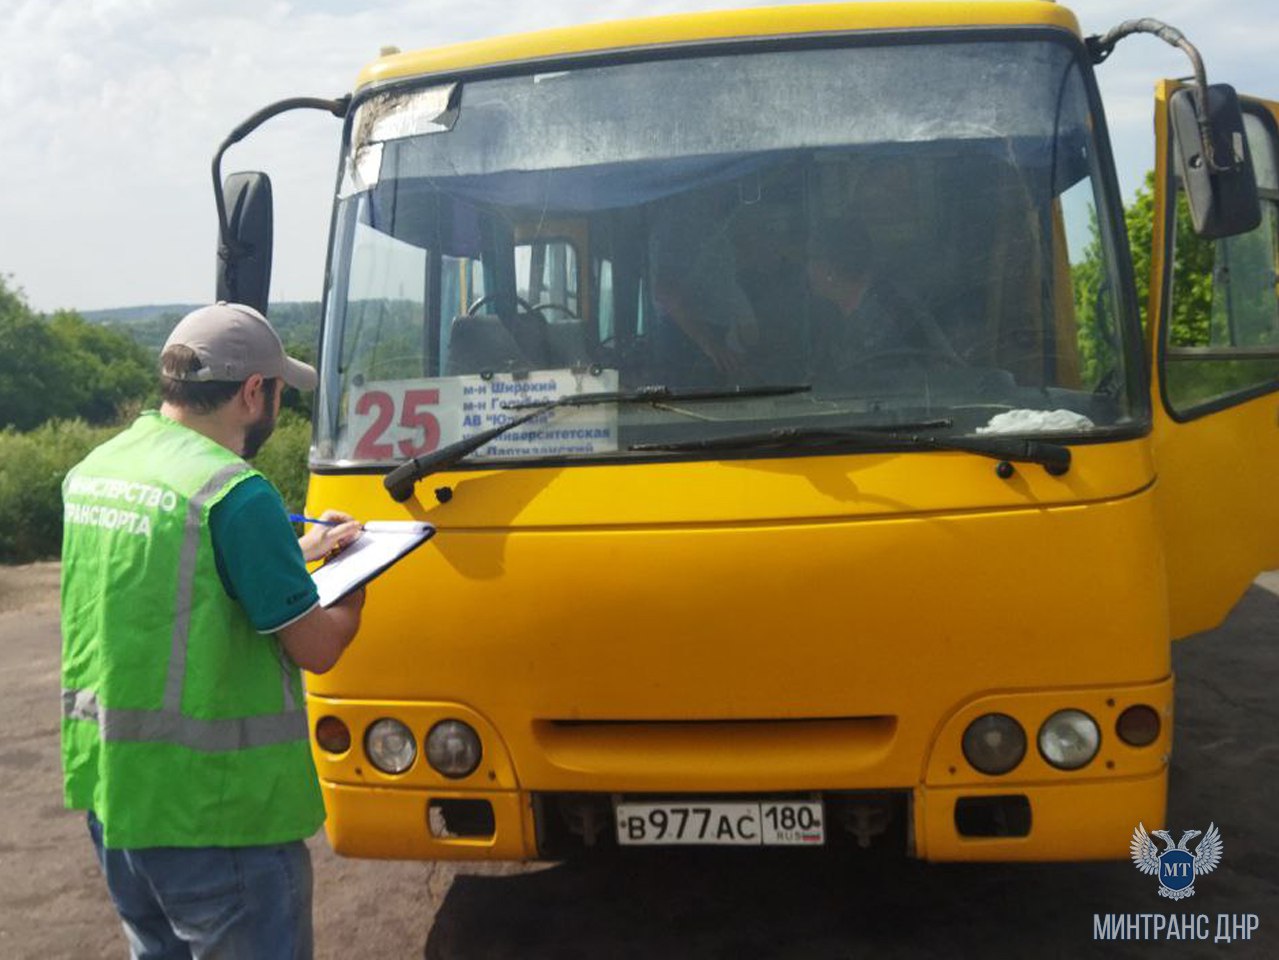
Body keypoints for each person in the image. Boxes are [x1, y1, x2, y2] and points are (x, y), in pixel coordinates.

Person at [60, 301, 365, 959]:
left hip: (117, 808)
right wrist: (360, 577)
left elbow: (173, 572)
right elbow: (318, 646)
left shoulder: (98, 472)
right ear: (254, 391)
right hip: (221, 822)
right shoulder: (236, 493)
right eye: (279, 391)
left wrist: (294, 556)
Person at [805, 216, 961, 384]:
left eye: (812, 258)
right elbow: (814, 383)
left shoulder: (897, 311)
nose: (807, 268)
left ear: (832, 267)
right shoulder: (830, 318)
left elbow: (943, 373)